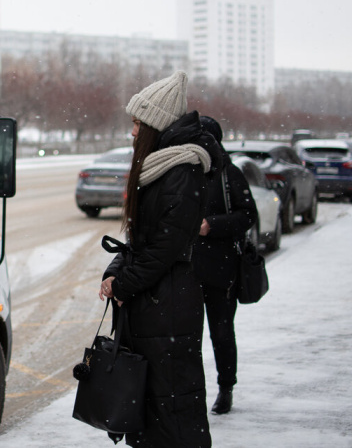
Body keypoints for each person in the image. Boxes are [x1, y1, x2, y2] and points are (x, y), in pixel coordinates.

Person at [98, 71, 222, 447]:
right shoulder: (160, 168)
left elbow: (165, 250)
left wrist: (124, 282)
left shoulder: (180, 172)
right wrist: (115, 270)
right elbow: (141, 242)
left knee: (172, 411)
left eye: (138, 123)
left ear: (155, 125)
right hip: (156, 305)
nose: (133, 132)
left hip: (168, 307)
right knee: (151, 407)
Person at [194, 116, 257, 415]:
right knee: (187, 337)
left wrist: (213, 225)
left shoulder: (229, 173)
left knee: (221, 332)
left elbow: (248, 215)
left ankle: (225, 387)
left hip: (222, 269)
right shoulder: (186, 172)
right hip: (189, 269)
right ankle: (192, 392)